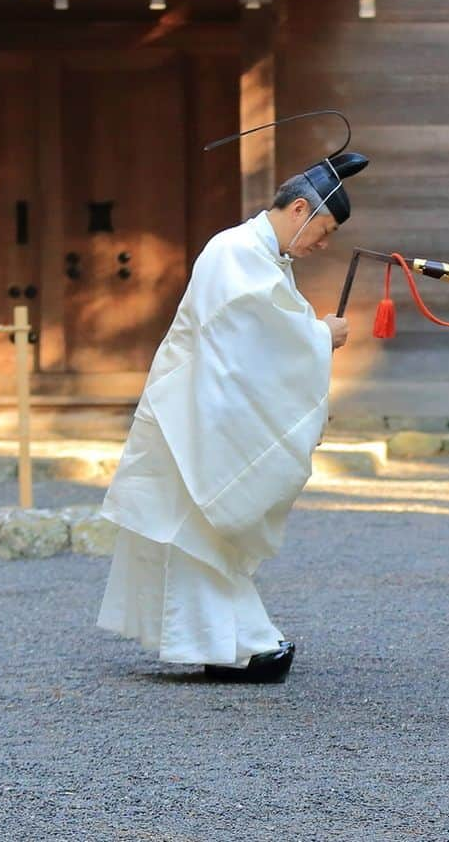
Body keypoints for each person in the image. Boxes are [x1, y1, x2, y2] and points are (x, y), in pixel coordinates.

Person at [98, 140, 368, 683]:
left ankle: (239, 644)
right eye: (325, 230)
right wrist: (320, 335)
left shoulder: (257, 253)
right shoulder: (236, 251)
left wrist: (310, 337)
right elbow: (249, 339)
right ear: (299, 210)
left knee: (201, 529)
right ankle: (239, 646)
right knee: (200, 526)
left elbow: (262, 335)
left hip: (205, 411)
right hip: (196, 416)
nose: (323, 244)